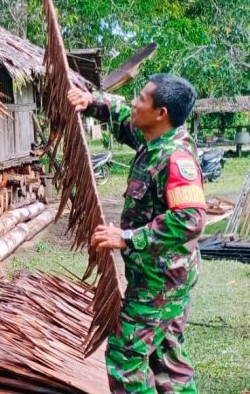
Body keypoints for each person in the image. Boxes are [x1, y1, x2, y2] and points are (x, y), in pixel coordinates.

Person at [68, 74, 205, 393]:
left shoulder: (175, 158)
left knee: (125, 357)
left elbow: (190, 219)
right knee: (168, 360)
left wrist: (128, 238)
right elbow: (121, 114)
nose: (134, 102)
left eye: (142, 99)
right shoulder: (152, 138)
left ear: (162, 113)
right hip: (165, 276)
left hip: (159, 282)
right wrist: (92, 102)